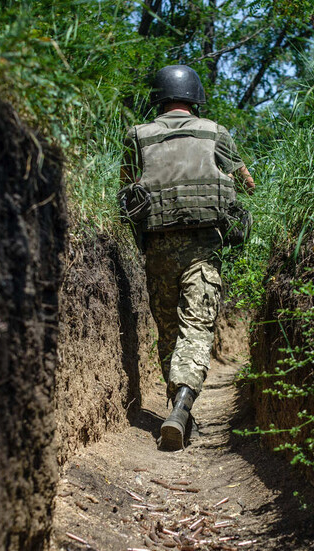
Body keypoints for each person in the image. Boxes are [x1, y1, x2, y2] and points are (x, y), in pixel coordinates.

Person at [119, 64, 256, 451]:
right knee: (195, 327)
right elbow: (248, 185)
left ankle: (177, 407)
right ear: (195, 97)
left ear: (159, 97)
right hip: (203, 246)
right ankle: (182, 404)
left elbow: (125, 192)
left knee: (168, 332)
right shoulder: (215, 132)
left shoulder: (137, 135)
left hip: (157, 249)